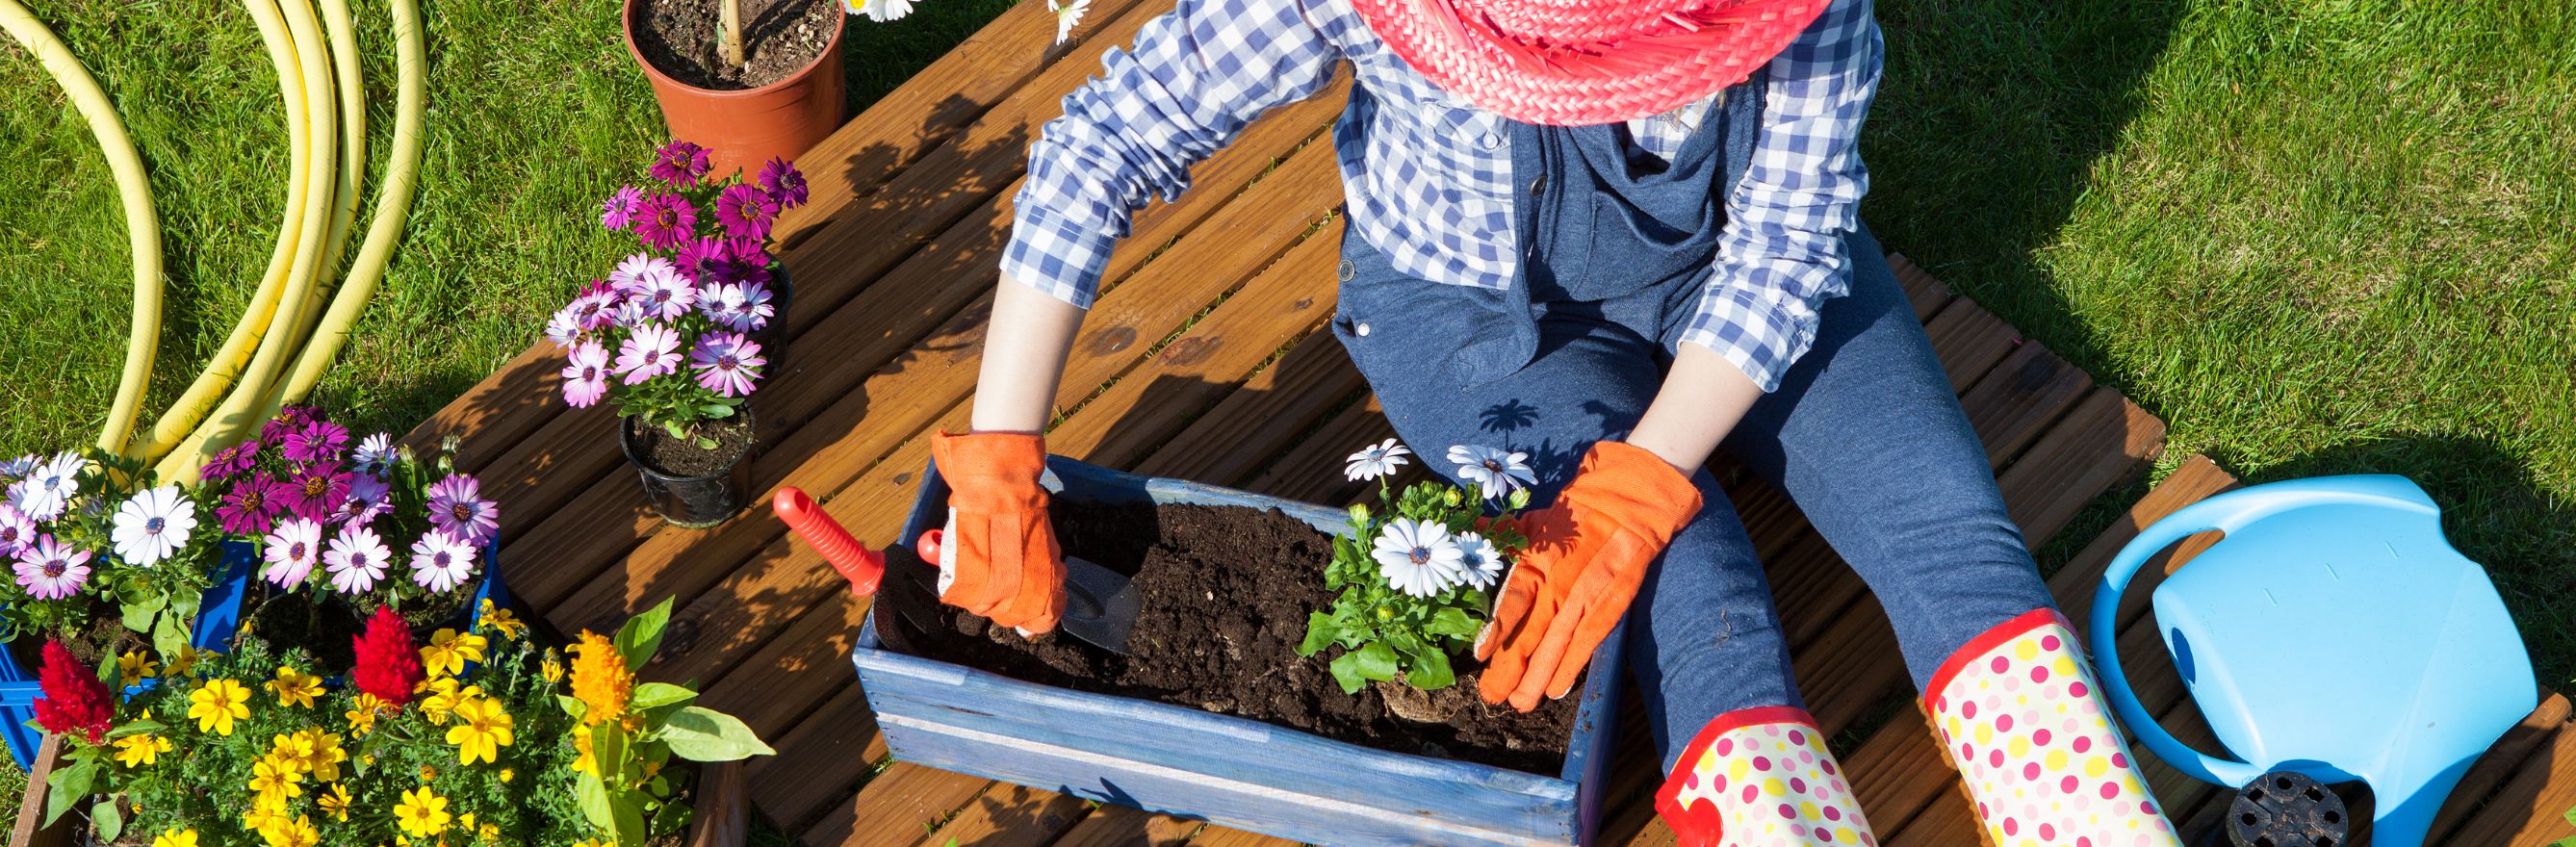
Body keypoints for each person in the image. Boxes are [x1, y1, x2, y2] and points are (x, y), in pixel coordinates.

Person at [929, 0, 2185, 842]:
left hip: (1743, 270)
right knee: (1705, 602)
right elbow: (1110, 138)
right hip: (1474, 323)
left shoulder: (1804, 14)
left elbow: (1789, 246)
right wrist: (1000, 453)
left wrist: (1640, 483)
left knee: (1953, 532)